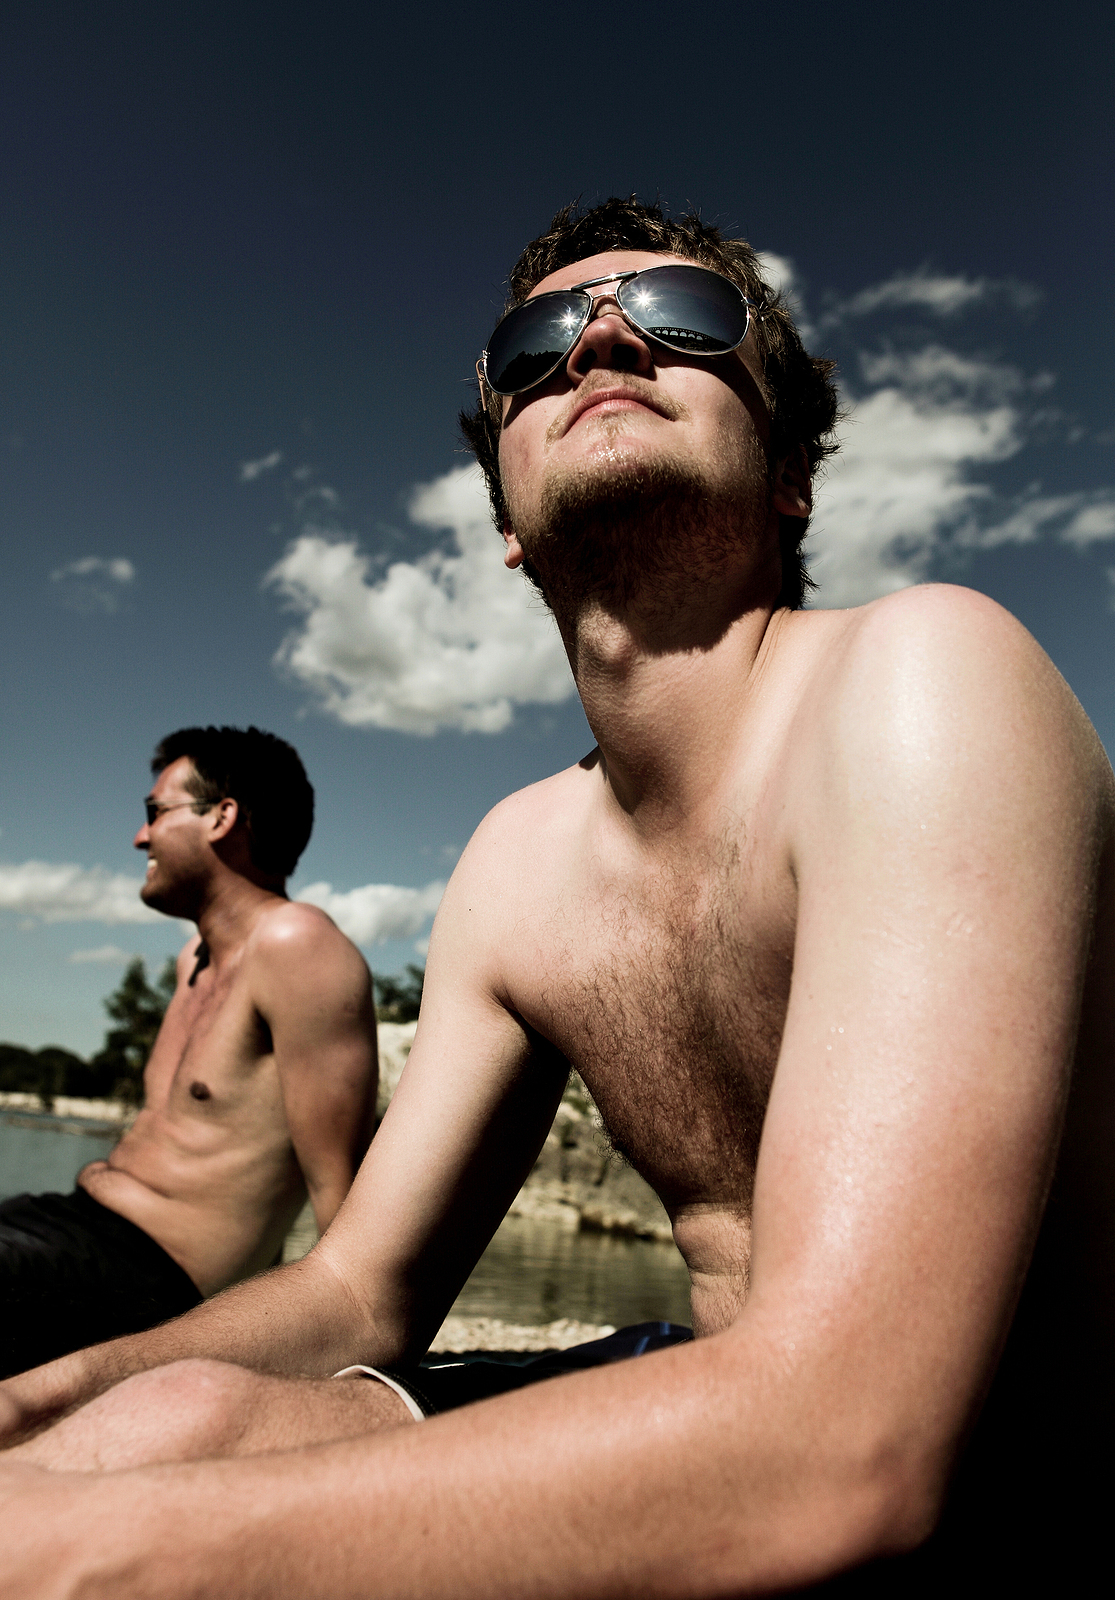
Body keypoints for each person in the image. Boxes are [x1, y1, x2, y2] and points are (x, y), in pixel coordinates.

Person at [1, 199, 1112, 1597]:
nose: (598, 339)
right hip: (709, 1405)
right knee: (167, 1420)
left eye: (685, 323)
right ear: (508, 528)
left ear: (788, 477)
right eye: (534, 342)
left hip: (977, 1484)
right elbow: (361, 1293)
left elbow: (849, 1442)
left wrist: (104, 1549)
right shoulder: (520, 859)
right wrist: (41, 1405)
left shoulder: (921, 682)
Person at [0, 725, 378, 1379]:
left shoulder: (297, 944)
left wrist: (341, 1367)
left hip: (150, 1280)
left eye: (154, 813)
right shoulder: (193, 962)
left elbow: (340, 1191)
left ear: (221, 817)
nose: (139, 838)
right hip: (71, 1226)